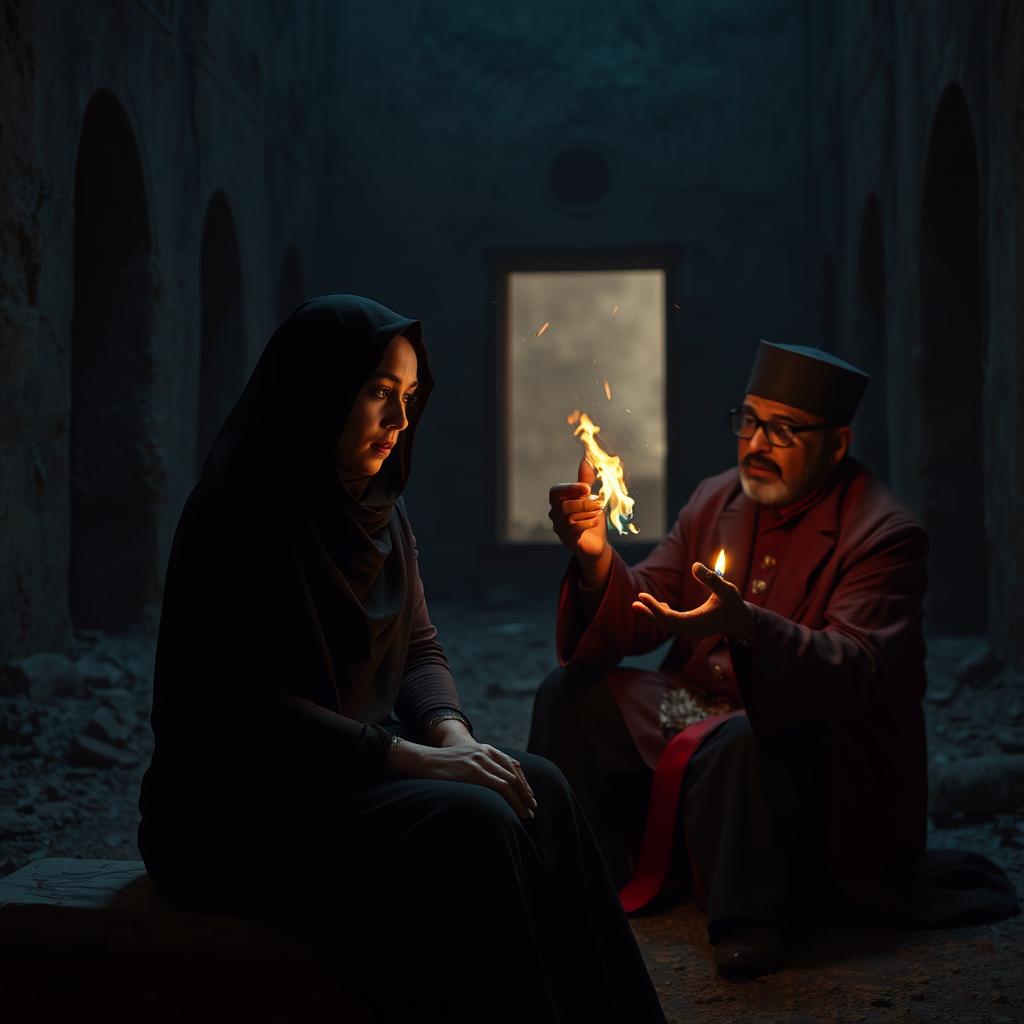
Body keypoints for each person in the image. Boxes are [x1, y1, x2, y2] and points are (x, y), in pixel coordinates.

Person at [138, 295, 666, 1024]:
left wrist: (450, 733)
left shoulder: (380, 507)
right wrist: (414, 760)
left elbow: (417, 644)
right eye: (379, 393)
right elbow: (245, 709)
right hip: (243, 805)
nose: (400, 420)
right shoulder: (237, 513)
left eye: (410, 397)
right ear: (320, 389)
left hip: (351, 773)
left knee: (536, 785)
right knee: (471, 824)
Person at [529, 339, 1017, 979]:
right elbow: (653, 600)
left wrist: (748, 628)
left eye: (783, 429)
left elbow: (857, 666)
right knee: (569, 695)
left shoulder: (884, 533)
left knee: (743, 740)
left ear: (837, 444)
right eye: (750, 420)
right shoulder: (716, 498)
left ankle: (751, 917)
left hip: (818, 745)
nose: (757, 443)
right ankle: (586, 872)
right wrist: (597, 558)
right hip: (702, 716)